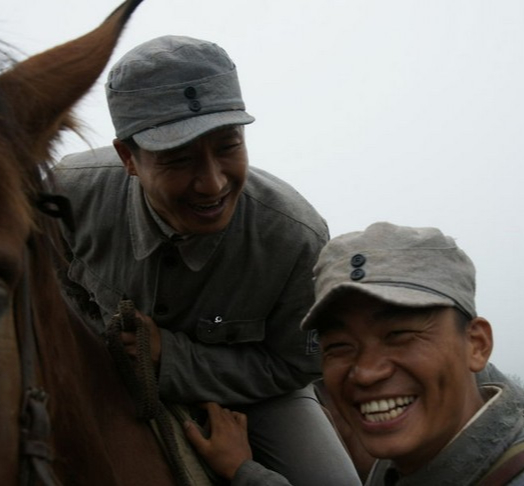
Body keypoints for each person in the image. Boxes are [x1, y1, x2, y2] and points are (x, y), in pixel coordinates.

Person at [53, 35, 359, 484]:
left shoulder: (296, 239)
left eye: (228, 147)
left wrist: (169, 357)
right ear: (128, 158)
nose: (212, 184)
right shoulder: (66, 195)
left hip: (257, 398)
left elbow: (299, 363)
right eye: (178, 159)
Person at [183, 222, 524, 485]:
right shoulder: (400, 472)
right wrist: (245, 471)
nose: (366, 371)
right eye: (339, 346)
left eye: (400, 335)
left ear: (476, 344)